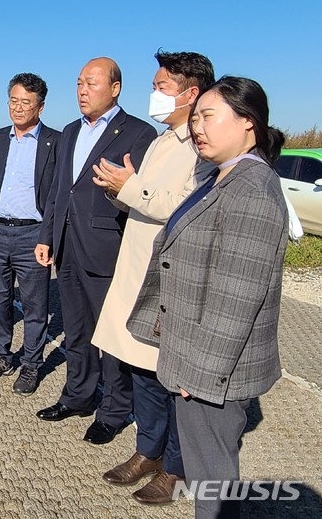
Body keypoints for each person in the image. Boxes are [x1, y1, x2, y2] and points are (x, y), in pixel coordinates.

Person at [127, 76, 288, 519]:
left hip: (212, 370)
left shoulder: (250, 189)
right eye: (195, 117)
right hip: (196, 356)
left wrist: (200, 373)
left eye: (209, 116)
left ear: (248, 123)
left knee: (214, 480)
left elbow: (238, 296)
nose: (198, 127)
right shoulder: (222, 178)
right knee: (207, 476)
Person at [90, 51, 215, 504]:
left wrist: (131, 187)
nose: (155, 94)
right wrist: (119, 190)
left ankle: (178, 468)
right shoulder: (164, 140)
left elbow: (182, 204)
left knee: (172, 377)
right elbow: (147, 199)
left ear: (191, 92)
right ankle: (149, 450)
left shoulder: (201, 145)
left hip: (168, 276)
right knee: (141, 366)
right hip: (138, 266)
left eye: (162, 86)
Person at [34, 58, 157, 444]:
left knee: (112, 335)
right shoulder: (70, 131)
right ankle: (78, 396)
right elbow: (59, 189)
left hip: (108, 247)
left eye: (91, 83)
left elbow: (139, 193)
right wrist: (46, 235)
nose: (82, 91)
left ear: (115, 88)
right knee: (77, 330)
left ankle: (115, 409)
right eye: (78, 83)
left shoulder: (138, 133)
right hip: (67, 246)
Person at [0, 73, 60, 395]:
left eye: (26, 103)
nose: (19, 108)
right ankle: (0, 356)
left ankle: (32, 365)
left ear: (41, 107)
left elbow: (58, 197)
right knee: (0, 302)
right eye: (14, 101)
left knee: (35, 306)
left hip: (33, 235)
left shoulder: (55, 142)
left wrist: (48, 236)